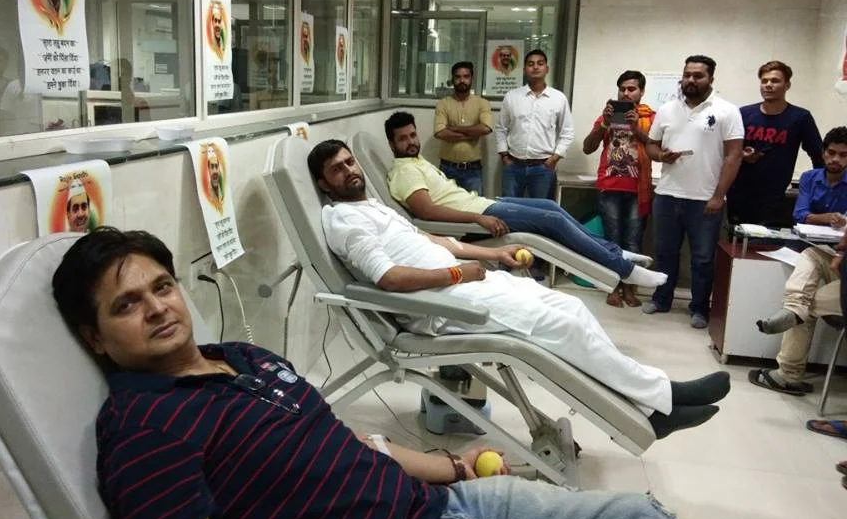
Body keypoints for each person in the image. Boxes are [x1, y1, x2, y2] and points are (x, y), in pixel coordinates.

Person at [53, 227, 717, 519]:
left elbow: (346, 442)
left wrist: (452, 466)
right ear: (95, 339)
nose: (157, 308)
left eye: (162, 287)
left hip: (446, 504)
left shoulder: (241, 357)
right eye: (126, 305)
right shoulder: (145, 429)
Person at [311, 139, 728, 430]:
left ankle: (649, 405)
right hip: (441, 305)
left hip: (466, 286)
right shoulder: (346, 221)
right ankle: (661, 398)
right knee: (563, 328)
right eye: (337, 169)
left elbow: (430, 240)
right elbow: (389, 278)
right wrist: (456, 274)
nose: (349, 170)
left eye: (350, 162)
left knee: (572, 308)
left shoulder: (371, 206)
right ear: (324, 184)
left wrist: (493, 256)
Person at [384, 112, 667, 291]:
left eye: (412, 135)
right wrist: (477, 218)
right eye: (402, 139)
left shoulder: (417, 161)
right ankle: (624, 270)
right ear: (392, 144)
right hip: (477, 216)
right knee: (553, 221)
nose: (411, 141)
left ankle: (615, 252)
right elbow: (426, 212)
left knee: (551, 207)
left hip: (481, 204)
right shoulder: (405, 171)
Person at [643, 55, 744, 329]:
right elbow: (651, 145)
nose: (691, 80)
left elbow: (734, 156)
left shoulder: (726, 111)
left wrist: (718, 196)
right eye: (687, 74)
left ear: (711, 78)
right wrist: (660, 156)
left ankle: (699, 308)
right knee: (665, 253)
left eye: (698, 75)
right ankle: (661, 299)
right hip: (667, 194)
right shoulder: (667, 109)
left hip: (704, 199)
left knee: (702, 258)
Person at [748, 132, 847, 395]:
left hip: (842, 268)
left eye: (843, 155)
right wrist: (829, 220)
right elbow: (800, 214)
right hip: (829, 255)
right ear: (823, 153)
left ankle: (788, 374)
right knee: (811, 256)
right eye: (831, 153)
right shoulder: (810, 178)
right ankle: (793, 311)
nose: (836, 160)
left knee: (804, 305)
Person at [581, 70, 656, 308]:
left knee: (633, 241)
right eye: (622, 89)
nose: (626, 93)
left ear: (641, 92)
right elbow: (587, 147)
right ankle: (612, 287)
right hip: (610, 187)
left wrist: (636, 129)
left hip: (637, 190)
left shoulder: (651, 118)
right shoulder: (607, 116)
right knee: (612, 242)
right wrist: (604, 123)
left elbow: (657, 147)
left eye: (631, 89)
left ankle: (630, 289)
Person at [727, 60, 823, 227]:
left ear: (787, 85)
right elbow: (728, 150)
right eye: (764, 81)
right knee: (735, 240)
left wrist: (820, 190)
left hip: (774, 197)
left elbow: (818, 156)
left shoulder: (800, 118)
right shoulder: (744, 113)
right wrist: (742, 155)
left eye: (775, 81)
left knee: (765, 241)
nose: (768, 85)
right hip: (739, 193)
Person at [495, 49, 574, 200]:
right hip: (513, 166)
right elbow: (501, 128)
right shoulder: (512, 97)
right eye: (531, 64)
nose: (535, 67)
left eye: (540, 63)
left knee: (540, 210)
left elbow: (567, 132)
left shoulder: (558, 98)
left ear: (547, 69)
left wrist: (554, 158)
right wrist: (504, 155)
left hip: (543, 168)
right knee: (509, 208)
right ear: (524, 70)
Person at [433, 61, 493, 194]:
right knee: (446, 205)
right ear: (452, 79)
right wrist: (472, 134)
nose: (462, 80)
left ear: (471, 79)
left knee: (475, 205)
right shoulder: (443, 104)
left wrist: (454, 129)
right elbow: (440, 133)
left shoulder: (482, 103)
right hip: (447, 169)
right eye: (458, 77)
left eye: (466, 76)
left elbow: (485, 128)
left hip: (473, 170)